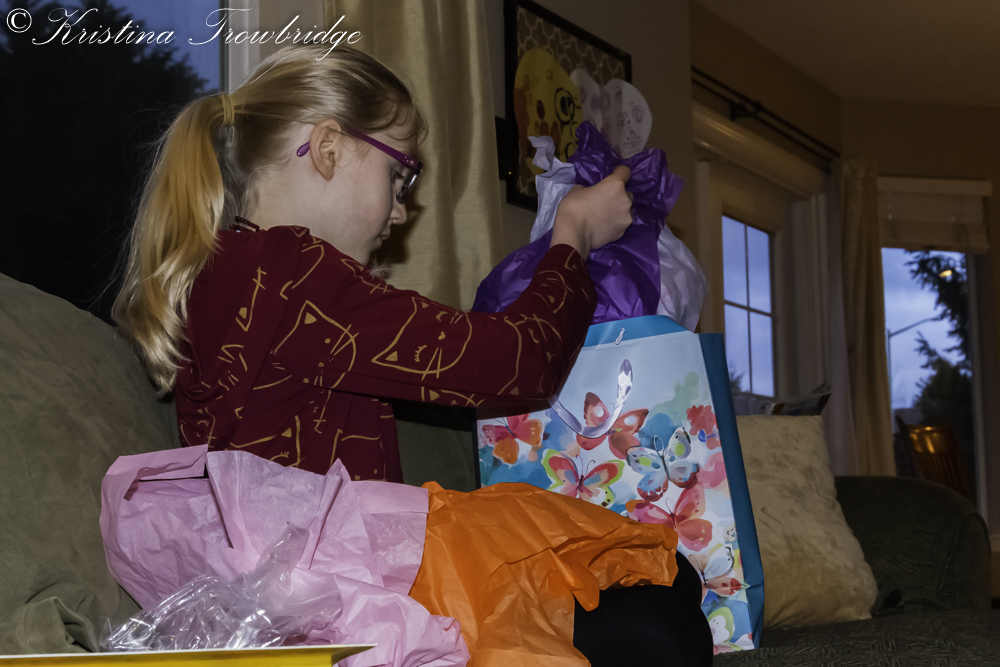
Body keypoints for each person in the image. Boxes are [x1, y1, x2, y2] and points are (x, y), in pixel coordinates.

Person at [112, 44, 711, 665]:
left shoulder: (238, 274)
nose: (401, 211)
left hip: (314, 594)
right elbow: (520, 362)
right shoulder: (290, 272)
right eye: (399, 176)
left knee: (660, 589)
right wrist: (574, 235)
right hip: (339, 599)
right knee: (663, 610)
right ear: (328, 148)